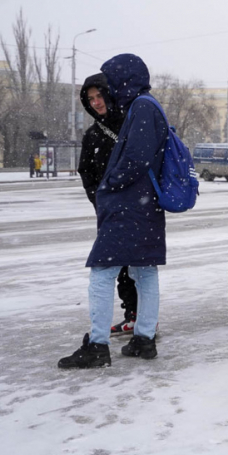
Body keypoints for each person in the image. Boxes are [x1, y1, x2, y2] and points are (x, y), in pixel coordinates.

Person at [58, 54, 167, 369]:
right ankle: (144, 339)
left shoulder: (141, 108)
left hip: (127, 205)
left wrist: (108, 187)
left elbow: (135, 159)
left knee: (102, 272)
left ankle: (97, 346)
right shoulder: (141, 108)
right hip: (142, 205)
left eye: (110, 82)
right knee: (144, 270)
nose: (107, 91)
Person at [77, 73, 138, 337]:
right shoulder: (92, 136)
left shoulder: (131, 124)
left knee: (139, 266)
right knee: (121, 266)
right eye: (90, 99)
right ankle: (135, 317)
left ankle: (141, 319)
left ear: (109, 94)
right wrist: (100, 200)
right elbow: (86, 173)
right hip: (109, 211)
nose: (96, 103)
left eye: (99, 96)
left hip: (137, 206)